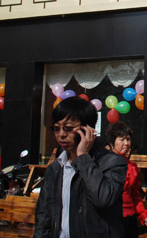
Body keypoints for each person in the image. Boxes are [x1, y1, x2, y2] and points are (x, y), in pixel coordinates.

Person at [34, 97, 127, 238]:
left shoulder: (112, 162)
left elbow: (103, 199)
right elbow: (44, 215)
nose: (61, 135)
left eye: (68, 128)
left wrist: (83, 157)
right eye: (56, 128)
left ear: (87, 130)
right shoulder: (55, 168)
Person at [106, 121, 147, 238]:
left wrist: (145, 216)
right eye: (122, 139)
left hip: (130, 220)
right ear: (112, 143)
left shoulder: (132, 167)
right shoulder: (105, 165)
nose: (126, 143)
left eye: (128, 139)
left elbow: (135, 196)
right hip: (111, 221)